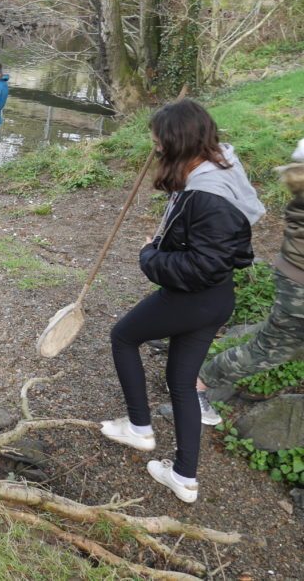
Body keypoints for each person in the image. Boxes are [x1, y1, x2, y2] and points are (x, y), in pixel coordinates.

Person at [99, 99, 265, 503]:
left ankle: (139, 428)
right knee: (181, 383)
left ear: (177, 143)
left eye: (158, 142)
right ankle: (184, 478)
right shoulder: (219, 164)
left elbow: (201, 266)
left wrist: (151, 256)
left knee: (122, 337)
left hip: (195, 299)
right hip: (216, 299)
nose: (154, 148)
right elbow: (224, 252)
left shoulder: (207, 194)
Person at [194, 139, 304, 424]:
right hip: (299, 285)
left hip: (294, 276)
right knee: (272, 348)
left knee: (273, 347)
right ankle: (196, 385)